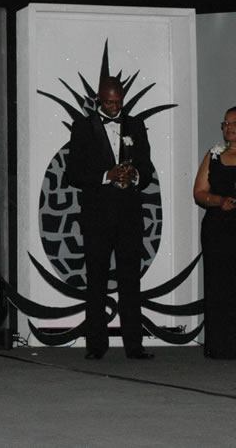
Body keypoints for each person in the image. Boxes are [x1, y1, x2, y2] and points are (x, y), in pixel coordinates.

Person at [65, 76, 155, 360]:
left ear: (123, 98)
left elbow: (147, 167)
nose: (113, 107)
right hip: (96, 215)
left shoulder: (136, 125)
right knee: (96, 281)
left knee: (131, 280)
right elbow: (73, 173)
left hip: (129, 214)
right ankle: (96, 345)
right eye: (108, 102)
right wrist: (107, 176)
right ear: (98, 99)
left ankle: (134, 345)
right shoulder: (83, 127)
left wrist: (135, 176)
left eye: (118, 102)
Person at [193, 106, 236, 359]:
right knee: (219, 283)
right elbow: (199, 192)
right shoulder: (214, 154)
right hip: (218, 228)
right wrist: (219, 201)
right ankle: (220, 345)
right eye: (225, 123)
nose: (228, 127)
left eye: (233, 123)